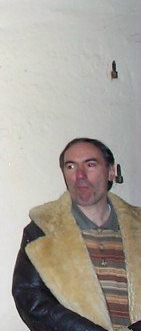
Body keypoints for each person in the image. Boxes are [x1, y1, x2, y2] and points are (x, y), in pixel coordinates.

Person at [12, 138, 140, 331]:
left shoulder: (137, 226)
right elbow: (31, 299)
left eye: (90, 164)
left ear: (111, 172)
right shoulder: (42, 231)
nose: (80, 175)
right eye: (71, 166)